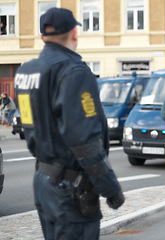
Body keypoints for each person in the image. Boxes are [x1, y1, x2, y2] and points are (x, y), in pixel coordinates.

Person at [14, 8, 124, 240]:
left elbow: (29, 123)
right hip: (70, 187)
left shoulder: (26, 72)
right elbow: (84, 141)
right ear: (74, 33)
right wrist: (110, 188)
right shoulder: (74, 71)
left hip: (43, 180)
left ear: (43, 36)